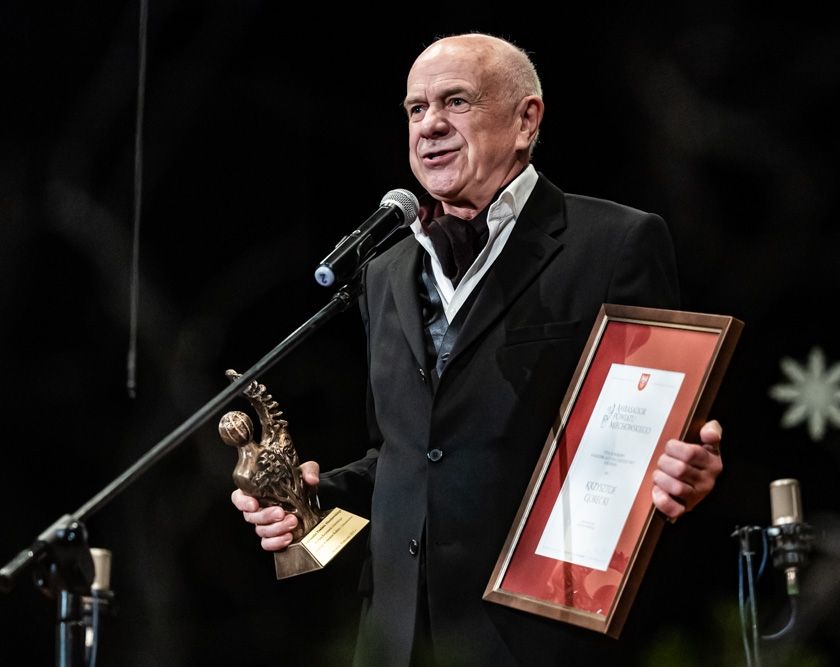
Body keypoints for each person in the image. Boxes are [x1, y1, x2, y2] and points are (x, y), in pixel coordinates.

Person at [232, 32, 724, 666]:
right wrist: (313, 501)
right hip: (397, 639)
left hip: (538, 636)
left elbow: (652, 433)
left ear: (526, 121)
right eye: (416, 109)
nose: (430, 125)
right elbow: (403, 458)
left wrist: (686, 474)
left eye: (456, 101)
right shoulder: (384, 271)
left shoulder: (613, 245)